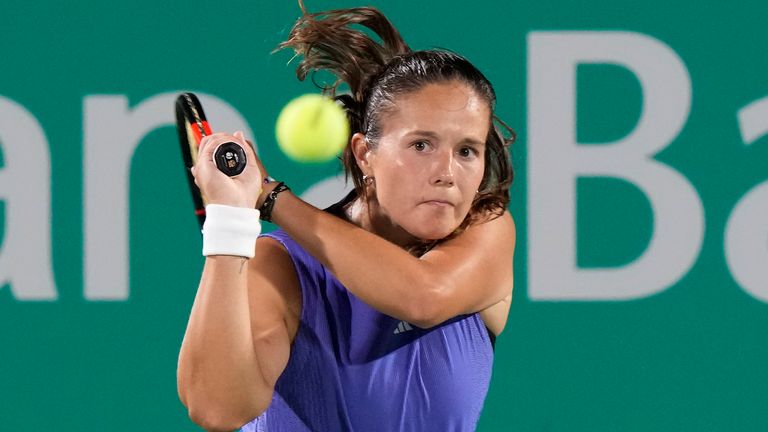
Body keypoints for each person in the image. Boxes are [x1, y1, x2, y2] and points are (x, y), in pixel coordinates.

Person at [177, 2, 516, 431]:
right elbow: (218, 409)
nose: (447, 173)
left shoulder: (486, 230)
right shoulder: (281, 265)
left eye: (467, 150)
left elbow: (423, 296)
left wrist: (270, 197)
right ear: (365, 154)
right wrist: (229, 227)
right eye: (421, 145)